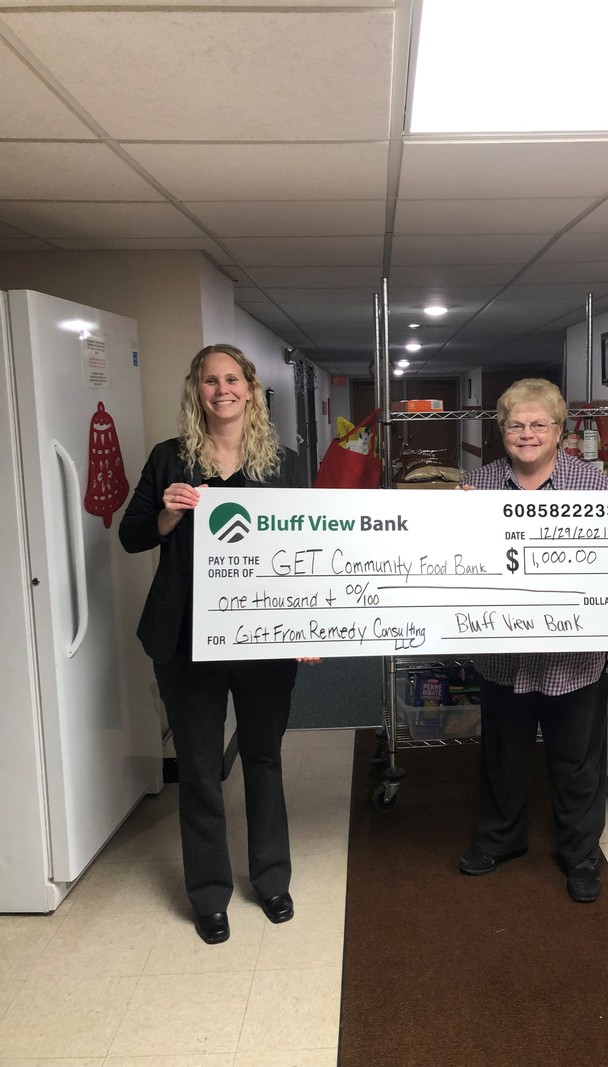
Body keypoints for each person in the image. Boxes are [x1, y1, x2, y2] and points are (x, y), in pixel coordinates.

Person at [120, 343, 319, 944]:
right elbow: (131, 536)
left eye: (233, 379)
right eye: (210, 381)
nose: (222, 390)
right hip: (185, 638)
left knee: (263, 757)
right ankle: (208, 893)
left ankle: (271, 878)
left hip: (262, 638)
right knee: (202, 768)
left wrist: (307, 624)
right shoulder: (169, 460)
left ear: (251, 389)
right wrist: (167, 515)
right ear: (196, 390)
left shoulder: (283, 464)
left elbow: (309, 554)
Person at [457, 378, 608, 903]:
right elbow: (451, 566)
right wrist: (452, 521)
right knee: (504, 755)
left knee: (577, 761)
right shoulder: (478, 487)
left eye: (539, 423)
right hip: (504, 658)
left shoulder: (595, 488)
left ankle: (580, 855)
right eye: (516, 424)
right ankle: (500, 840)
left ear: (560, 431)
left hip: (576, 659)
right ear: (502, 432)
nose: (527, 433)